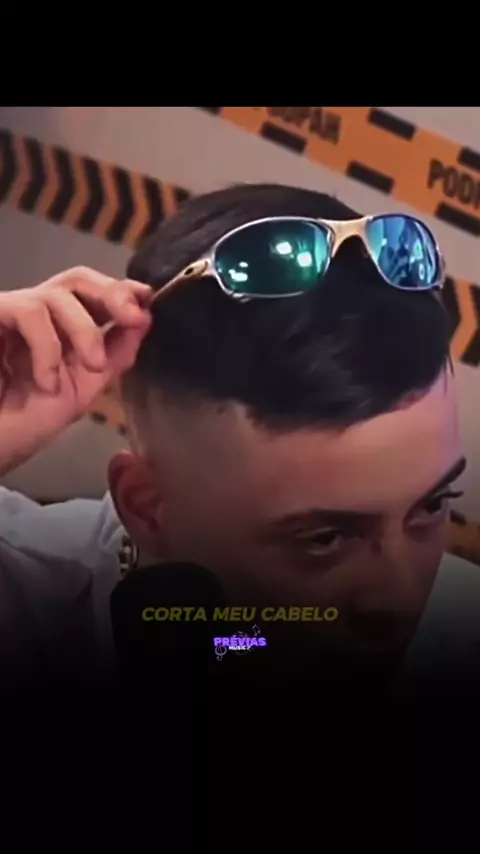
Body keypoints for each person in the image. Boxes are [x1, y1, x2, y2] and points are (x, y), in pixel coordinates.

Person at [1, 184, 480, 703]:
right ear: (148, 508)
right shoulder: (31, 605)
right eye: (324, 539)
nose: (400, 598)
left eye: (431, 506)